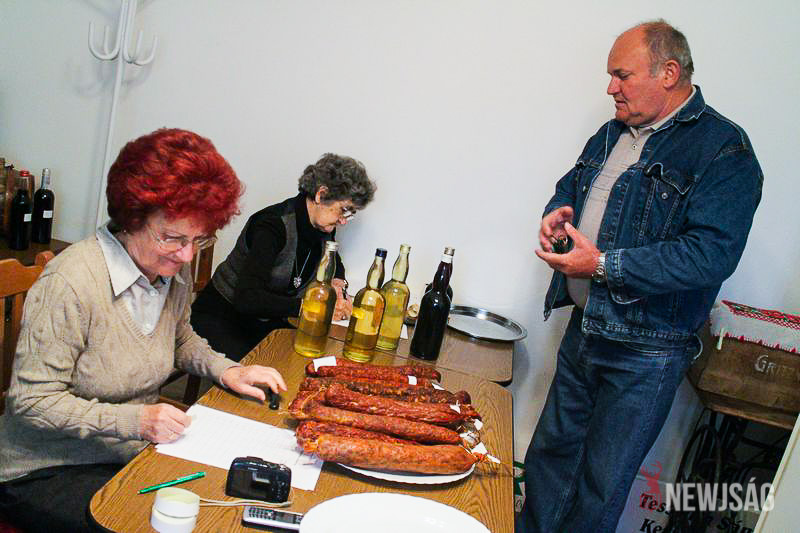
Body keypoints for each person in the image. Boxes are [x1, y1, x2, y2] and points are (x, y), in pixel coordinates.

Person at [518, 20, 762, 533]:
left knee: (599, 488)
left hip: (645, 353)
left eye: (622, 75)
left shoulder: (725, 150)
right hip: (585, 330)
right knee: (547, 463)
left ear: (668, 73)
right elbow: (571, 185)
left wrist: (602, 265)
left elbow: (710, 255)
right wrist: (557, 211)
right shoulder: (613, 131)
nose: (611, 87)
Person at [0, 128, 288, 532]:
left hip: (125, 452)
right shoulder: (71, 282)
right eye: (173, 238)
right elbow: (32, 403)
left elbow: (180, 338)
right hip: (46, 468)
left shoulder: (168, 269)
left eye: (198, 240)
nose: (186, 254)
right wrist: (135, 422)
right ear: (131, 219)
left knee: (221, 507)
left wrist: (228, 370)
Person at [191, 153, 376, 361]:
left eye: (350, 214)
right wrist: (310, 307)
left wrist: (338, 284)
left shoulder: (322, 225)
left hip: (266, 321)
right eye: (344, 210)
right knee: (271, 368)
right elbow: (248, 299)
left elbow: (334, 259)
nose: (343, 221)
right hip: (223, 317)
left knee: (315, 358)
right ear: (321, 195)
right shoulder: (271, 226)